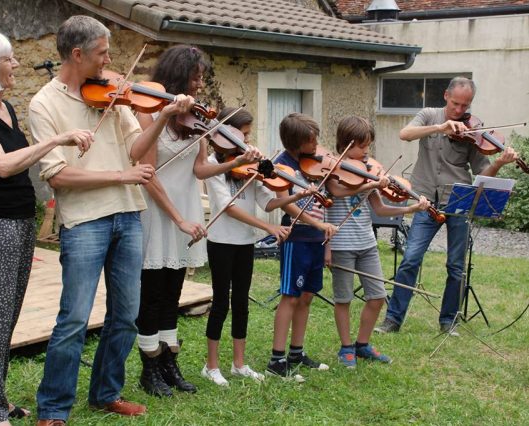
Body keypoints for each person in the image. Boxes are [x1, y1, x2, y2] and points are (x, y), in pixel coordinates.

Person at [29, 16, 185, 424]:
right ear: (77, 54)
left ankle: (105, 393)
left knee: (126, 314)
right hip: (84, 222)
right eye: (102, 53)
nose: (109, 61)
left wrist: (164, 115)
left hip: (128, 215)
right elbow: (58, 175)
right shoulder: (43, 104)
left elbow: (137, 150)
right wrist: (121, 175)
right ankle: (53, 408)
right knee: (75, 318)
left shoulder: (114, 96)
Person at [0, 28, 93, 426]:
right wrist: (57, 139)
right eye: (7, 58)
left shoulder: (6, 108)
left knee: (4, 318)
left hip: (18, 222)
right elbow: (2, 164)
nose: (15, 64)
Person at [135, 45, 259, 397]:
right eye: (196, 76)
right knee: (153, 293)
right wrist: (177, 219)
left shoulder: (197, 120)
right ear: (178, 76)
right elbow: (147, 174)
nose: (200, 84)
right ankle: (150, 368)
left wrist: (233, 163)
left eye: (201, 77)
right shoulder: (150, 113)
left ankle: (169, 363)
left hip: (186, 208)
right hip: (158, 211)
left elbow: (200, 169)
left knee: (173, 290)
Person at [375, 77, 518, 335]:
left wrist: (500, 162)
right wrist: (440, 127)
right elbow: (404, 134)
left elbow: (483, 172)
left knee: (456, 266)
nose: (460, 111)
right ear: (445, 96)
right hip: (425, 200)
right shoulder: (430, 115)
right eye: (455, 104)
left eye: (466, 105)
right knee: (410, 259)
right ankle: (393, 319)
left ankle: (448, 321)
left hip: (458, 201)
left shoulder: (473, 130)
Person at [202, 107, 316, 386]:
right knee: (221, 303)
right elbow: (228, 208)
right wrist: (269, 227)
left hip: (244, 242)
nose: (247, 141)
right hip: (221, 242)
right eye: (243, 134)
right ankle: (211, 365)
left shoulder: (251, 168)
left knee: (241, 303)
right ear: (227, 136)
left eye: (248, 135)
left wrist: (297, 193)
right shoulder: (213, 165)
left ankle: (239, 364)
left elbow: (268, 201)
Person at [325, 116, 429, 368]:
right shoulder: (332, 168)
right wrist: (369, 183)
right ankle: (346, 347)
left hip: (367, 243)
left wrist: (411, 208)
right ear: (346, 144)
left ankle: (362, 344)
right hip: (341, 244)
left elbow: (381, 209)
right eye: (362, 147)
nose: (366, 153)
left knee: (377, 295)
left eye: (368, 146)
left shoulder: (368, 171)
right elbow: (337, 192)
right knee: (343, 298)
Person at [265, 112, 336, 381]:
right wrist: (317, 225)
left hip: (316, 239)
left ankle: (297, 352)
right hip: (296, 237)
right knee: (290, 296)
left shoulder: (311, 163)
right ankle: (277, 358)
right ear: (298, 142)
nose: (317, 144)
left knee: (307, 296)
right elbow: (288, 204)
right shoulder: (281, 167)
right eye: (312, 140)